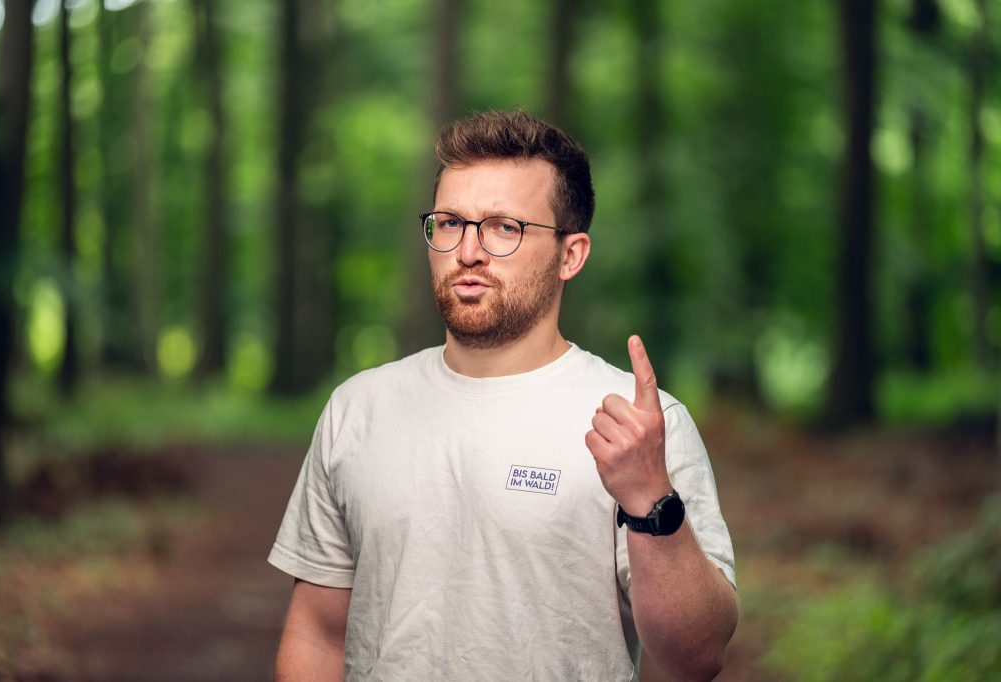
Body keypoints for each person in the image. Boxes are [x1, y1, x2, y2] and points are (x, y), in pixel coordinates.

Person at [269, 109, 738, 681]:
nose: (467, 251)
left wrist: (650, 499)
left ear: (571, 255)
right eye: (449, 223)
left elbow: (697, 658)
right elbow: (318, 633)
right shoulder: (357, 409)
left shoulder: (640, 425)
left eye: (503, 227)